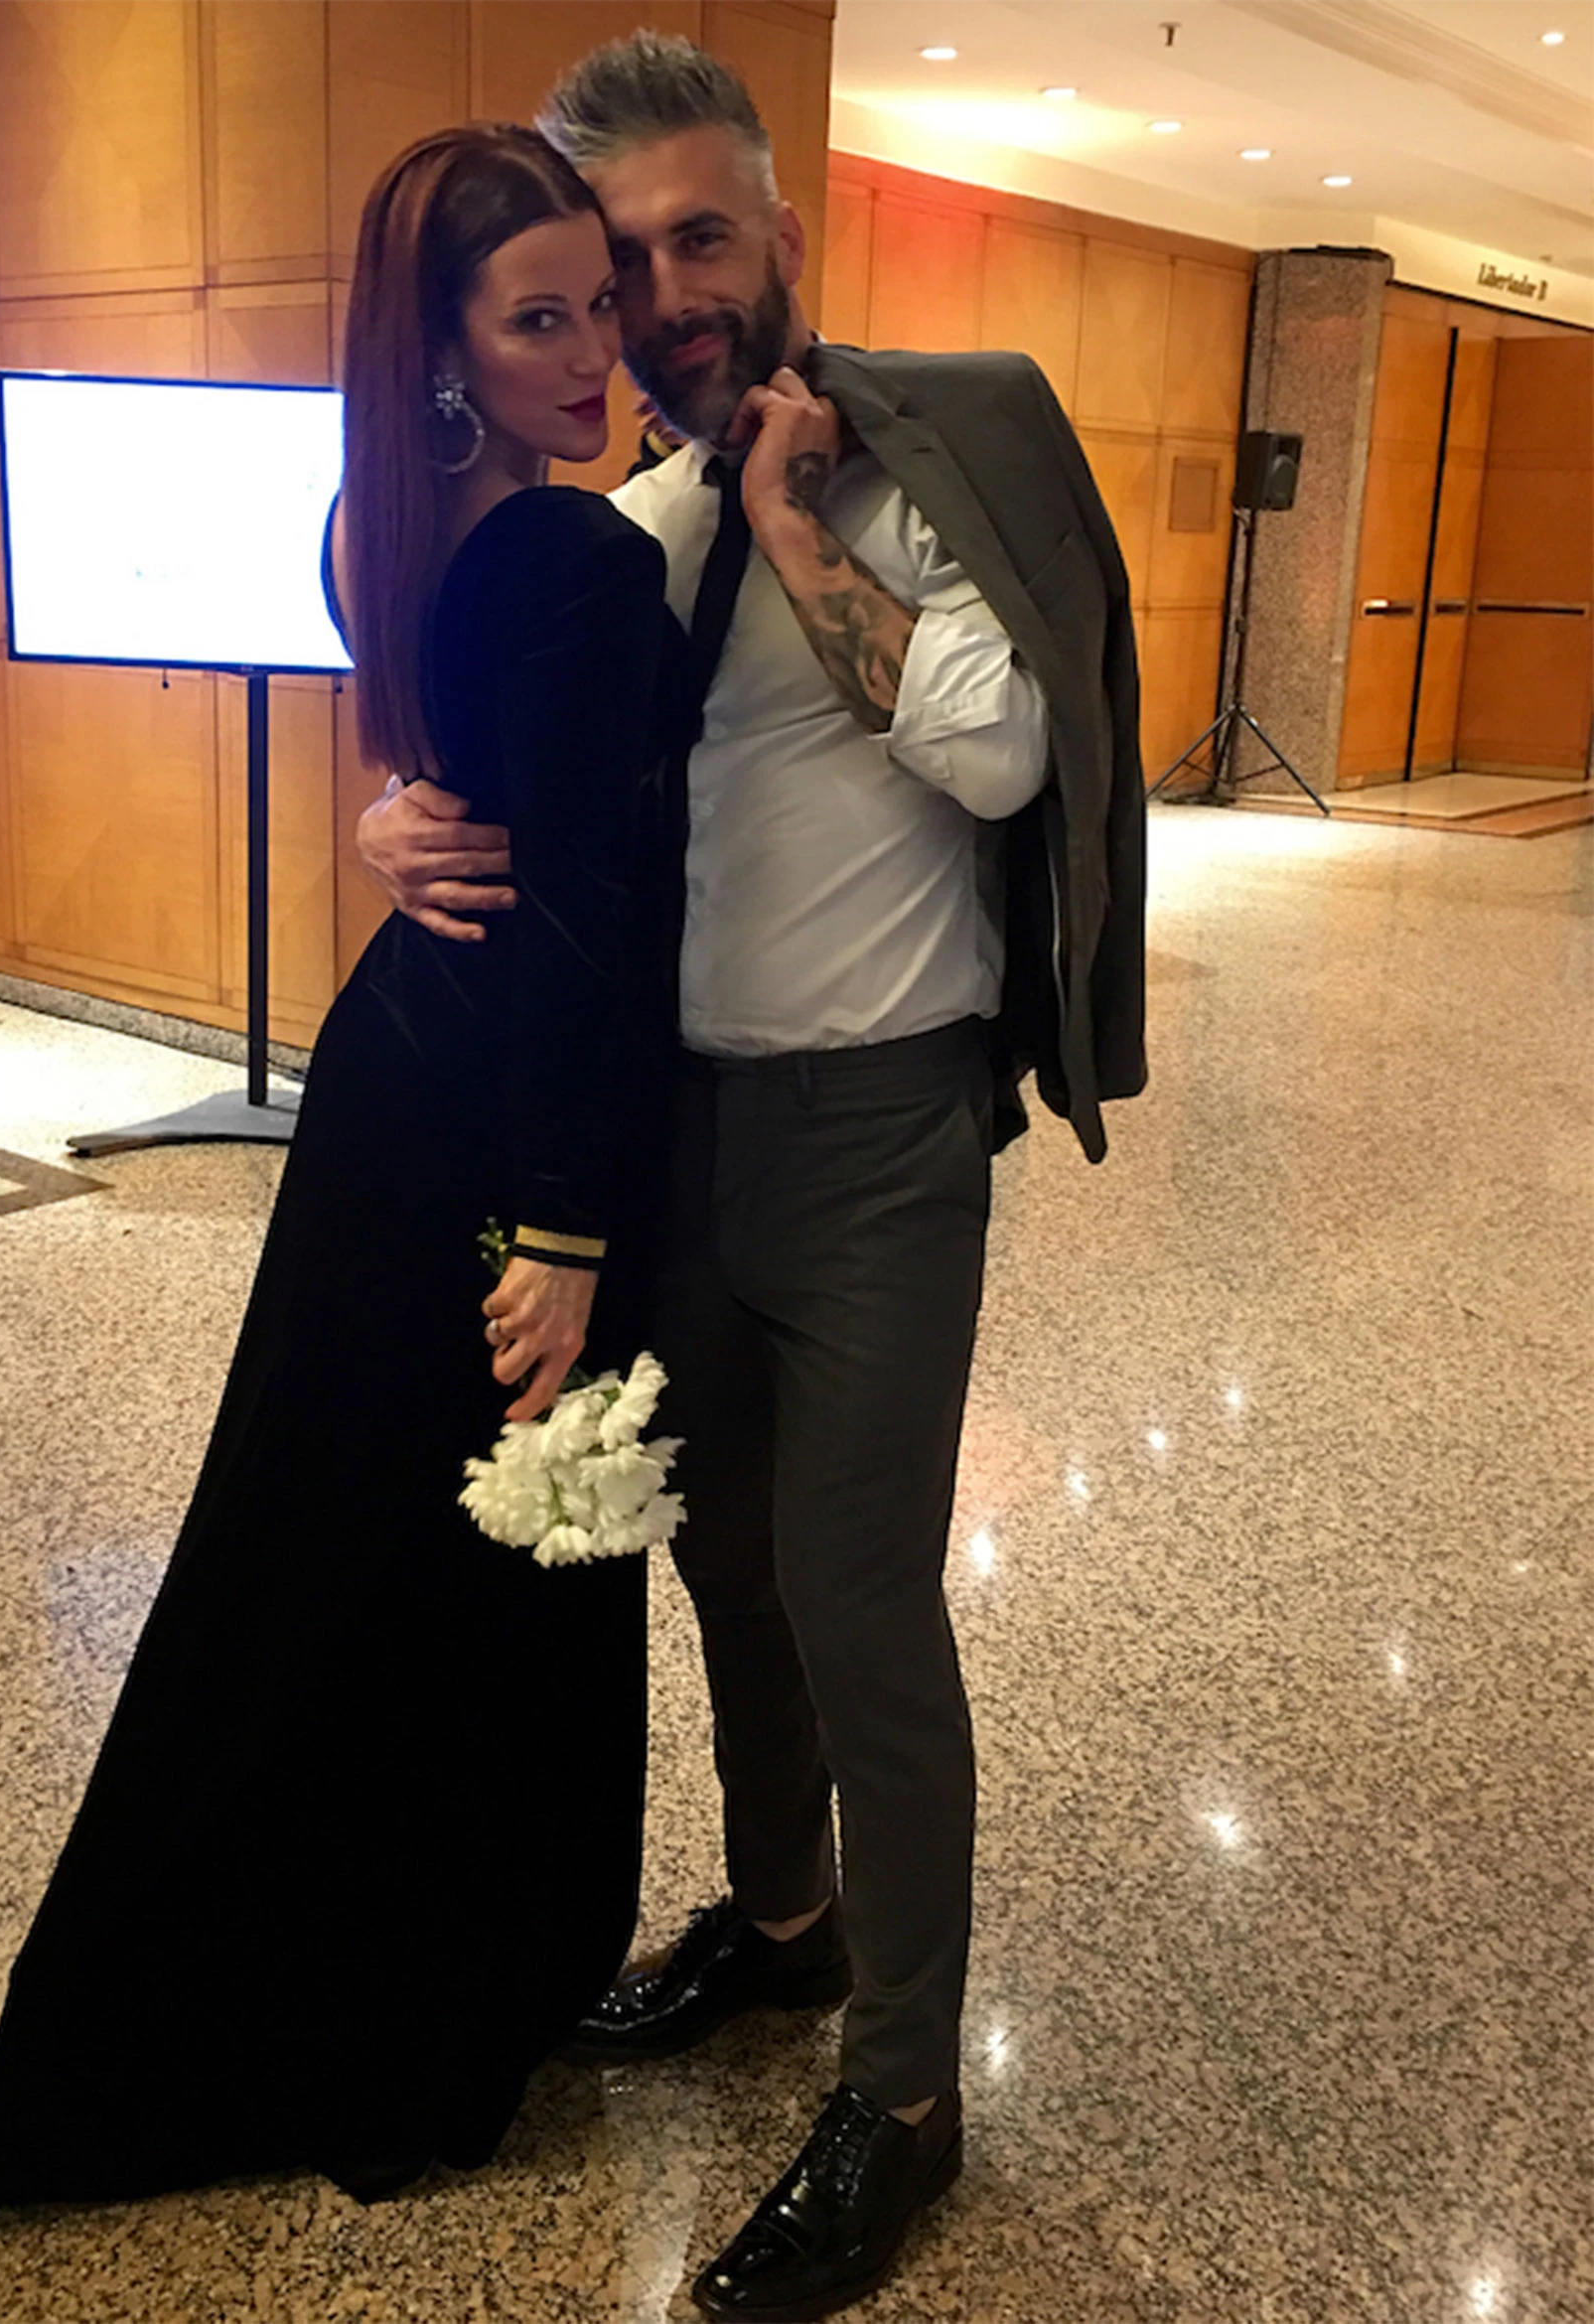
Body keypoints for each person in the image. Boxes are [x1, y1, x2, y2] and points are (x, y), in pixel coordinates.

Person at [356, 34, 1146, 2321]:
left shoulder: (916, 470)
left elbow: (1001, 753)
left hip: (881, 1135)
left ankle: (905, 2094)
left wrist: (802, 528)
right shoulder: (629, 530)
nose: (663, 295)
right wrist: (396, 820)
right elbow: (553, 804)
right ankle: (786, 1925)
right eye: (619, 259)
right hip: (681, 1136)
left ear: (782, 233)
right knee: (724, 1573)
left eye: (702, 236)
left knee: (861, 1599)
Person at [0, 123, 688, 2209]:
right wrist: (567, 1226)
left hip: (397, 1093)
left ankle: (243, 1992)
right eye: (537, 320)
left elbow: (456, 792)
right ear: (446, 347)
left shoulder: (387, 513)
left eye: (599, 305)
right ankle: (426, 2001)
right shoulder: (574, 555)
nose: (592, 353)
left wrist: (393, 821)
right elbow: (589, 918)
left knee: (335, 1549)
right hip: (510, 1124)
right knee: (488, 1558)